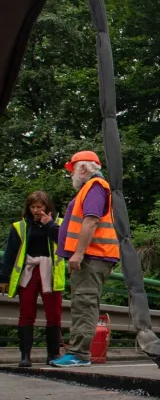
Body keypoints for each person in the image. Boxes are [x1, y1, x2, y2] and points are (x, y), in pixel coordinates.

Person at [49, 150, 120, 368]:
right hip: (91, 256)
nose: (71, 175)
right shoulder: (92, 188)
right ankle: (77, 352)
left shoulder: (95, 187)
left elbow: (91, 221)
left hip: (92, 256)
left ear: (83, 168)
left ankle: (79, 354)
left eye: (72, 170)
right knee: (83, 302)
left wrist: (78, 254)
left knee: (85, 303)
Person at [0, 191, 65, 367]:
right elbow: (10, 254)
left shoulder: (58, 223)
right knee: (26, 313)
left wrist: (49, 224)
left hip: (51, 272)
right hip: (28, 272)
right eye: (33, 207)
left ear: (47, 207)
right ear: (28, 208)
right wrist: (3, 278)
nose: (36, 210)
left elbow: (65, 243)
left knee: (54, 314)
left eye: (40, 206)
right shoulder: (20, 226)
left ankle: (52, 355)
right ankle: (25, 356)